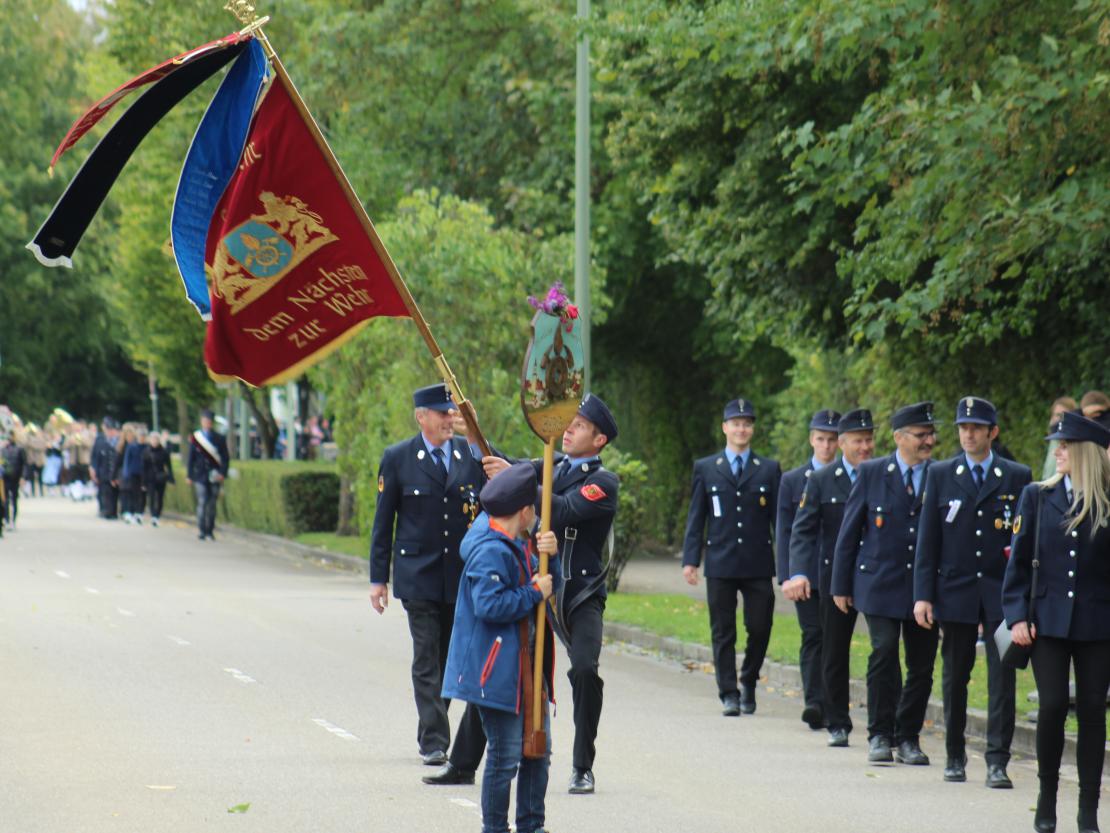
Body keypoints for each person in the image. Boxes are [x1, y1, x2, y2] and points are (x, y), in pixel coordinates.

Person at [430, 393, 620, 795]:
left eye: (579, 426)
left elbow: (563, 509)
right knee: (499, 664)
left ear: (599, 440)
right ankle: (463, 763)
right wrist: (476, 435)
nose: (568, 429)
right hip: (537, 587)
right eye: (569, 421)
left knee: (585, 670)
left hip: (578, 594)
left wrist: (519, 483)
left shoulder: (603, 481)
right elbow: (510, 468)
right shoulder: (550, 465)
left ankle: (583, 766)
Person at [913, 397, 1032, 788]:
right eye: (963, 427)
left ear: (992, 432)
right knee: (955, 675)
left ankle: (997, 760)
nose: (968, 434)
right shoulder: (942, 474)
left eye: (977, 428)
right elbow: (928, 540)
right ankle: (954, 754)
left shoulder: (1016, 475)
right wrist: (923, 594)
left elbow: (1025, 541)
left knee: (1003, 677)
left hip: (1001, 594)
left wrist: (1024, 600)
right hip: (956, 590)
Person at [370, 383, 487, 769]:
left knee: (449, 657)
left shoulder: (467, 454)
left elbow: (494, 492)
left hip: (458, 575)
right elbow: (383, 522)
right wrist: (378, 579)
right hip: (417, 574)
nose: (448, 419)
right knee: (426, 656)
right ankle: (435, 740)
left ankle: (432, 729)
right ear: (421, 417)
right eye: (441, 414)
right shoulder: (399, 458)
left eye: (451, 413)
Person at [1003, 411, 1110, 833]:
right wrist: (1015, 616)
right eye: (1057, 445)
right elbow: (1018, 561)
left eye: (1065, 446)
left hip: (1098, 622)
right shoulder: (1036, 496)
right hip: (1045, 620)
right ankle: (1046, 800)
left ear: (1085, 452)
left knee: (1091, 712)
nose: (1058, 452)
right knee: (1050, 707)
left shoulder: (1107, 497)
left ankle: (1088, 810)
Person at [442, 463, 558, 833]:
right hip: (496, 671)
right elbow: (490, 605)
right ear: (524, 511)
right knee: (505, 757)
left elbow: (536, 580)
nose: (537, 515)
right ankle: (495, 828)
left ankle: (531, 825)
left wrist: (547, 557)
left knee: (537, 749)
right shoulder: (491, 550)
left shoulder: (518, 544)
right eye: (535, 509)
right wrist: (534, 592)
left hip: (525, 666)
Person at [831, 401, 939, 766]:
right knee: (884, 650)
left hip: (923, 586)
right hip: (878, 583)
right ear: (899, 438)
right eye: (921, 435)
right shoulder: (873, 473)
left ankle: (908, 735)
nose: (929, 440)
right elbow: (850, 532)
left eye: (930, 434)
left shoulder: (940, 474)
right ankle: (880, 733)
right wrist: (840, 585)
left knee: (922, 664)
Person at [683, 397, 781, 718]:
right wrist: (690, 559)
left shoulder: (768, 469)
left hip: (757, 562)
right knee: (723, 630)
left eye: (747, 423)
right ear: (725, 428)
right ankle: (728, 692)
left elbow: (779, 522)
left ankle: (749, 679)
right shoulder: (707, 468)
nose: (741, 429)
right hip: (722, 561)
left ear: (752, 429)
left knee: (760, 625)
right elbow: (697, 516)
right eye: (736, 423)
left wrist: (789, 565)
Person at [785, 408, 875, 748]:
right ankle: (838, 720)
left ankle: (887, 721)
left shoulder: (882, 474)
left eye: (869, 440)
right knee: (833, 650)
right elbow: (802, 529)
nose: (865, 447)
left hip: (874, 575)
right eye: (857, 440)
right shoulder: (821, 479)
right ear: (842, 443)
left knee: (883, 648)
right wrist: (798, 571)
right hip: (834, 577)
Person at [776, 409, 840, 730]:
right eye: (820, 439)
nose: (826, 446)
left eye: (832, 440)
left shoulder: (851, 478)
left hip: (839, 573)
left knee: (834, 638)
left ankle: (833, 701)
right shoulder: (792, 480)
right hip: (806, 573)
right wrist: (787, 575)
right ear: (811, 440)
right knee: (813, 635)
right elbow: (785, 530)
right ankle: (814, 701)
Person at [186, 409, 230, 540]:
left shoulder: (220, 438)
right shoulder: (196, 437)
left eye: (209, 421)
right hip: (200, 475)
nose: (207, 423)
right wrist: (189, 475)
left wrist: (223, 473)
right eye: (205, 421)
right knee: (202, 501)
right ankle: (202, 529)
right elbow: (191, 458)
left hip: (215, 474)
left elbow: (225, 458)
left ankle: (210, 530)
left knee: (212, 504)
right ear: (202, 422)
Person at [91, 417, 120, 519]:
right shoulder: (100, 439)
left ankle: (112, 511)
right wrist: (93, 469)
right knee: (103, 492)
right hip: (102, 470)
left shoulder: (117, 441)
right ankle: (104, 509)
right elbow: (95, 455)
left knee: (112, 492)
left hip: (112, 471)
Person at [143, 431, 174, 526]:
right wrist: (143, 481)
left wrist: (171, 478)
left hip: (161, 477)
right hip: (150, 478)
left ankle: (157, 514)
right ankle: (153, 515)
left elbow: (169, 465)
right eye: (153, 439)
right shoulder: (146, 451)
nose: (154, 441)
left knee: (160, 497)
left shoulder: (164, 452)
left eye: (156, 439)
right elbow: (144, 467)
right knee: (151, 497)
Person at [1043, 397, 1077, 480]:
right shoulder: (1053, 440)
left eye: (1062, 415)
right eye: (1056, 415)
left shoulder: (1074, 441)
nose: (1058, 419)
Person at [1, 435, 27, 529]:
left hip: (15, 478)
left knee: (14, 499)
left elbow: (24, 464)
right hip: (5, 478)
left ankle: (13, 520)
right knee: (5, 500)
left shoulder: (20, 449)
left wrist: (23, 477)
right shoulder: (3, 450)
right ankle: (7, 519)